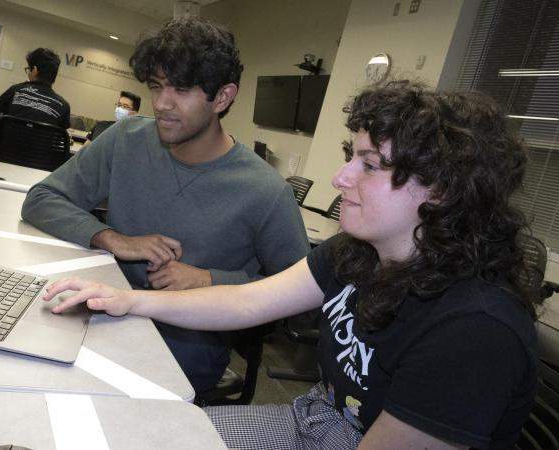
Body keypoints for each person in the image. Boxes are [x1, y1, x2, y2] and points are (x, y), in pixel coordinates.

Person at [43, 81, 539, 449]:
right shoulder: (359, 252)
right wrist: (129, 300)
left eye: (369, 165)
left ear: (444, 189)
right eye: (352, 156)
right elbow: (246, 301)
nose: (341, 177)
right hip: (316, 419)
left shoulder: (475, 328)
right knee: (143, 437)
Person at [21, 19, 309, 394]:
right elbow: (41, 199)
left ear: (222, 98)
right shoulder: (126, 139)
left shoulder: (266, 191)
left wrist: (209, 280)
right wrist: (114, 239)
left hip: (182, 354)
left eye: (182, 89)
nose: (161, 103)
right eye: (156, 86)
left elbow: (304, 297)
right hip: (96, 318)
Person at [0, 47, 70, 137]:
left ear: (34, 70)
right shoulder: (63, 106)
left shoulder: (15, 90)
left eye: (28, 69)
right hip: (40, 151)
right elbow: (59, 139)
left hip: (4, 149)